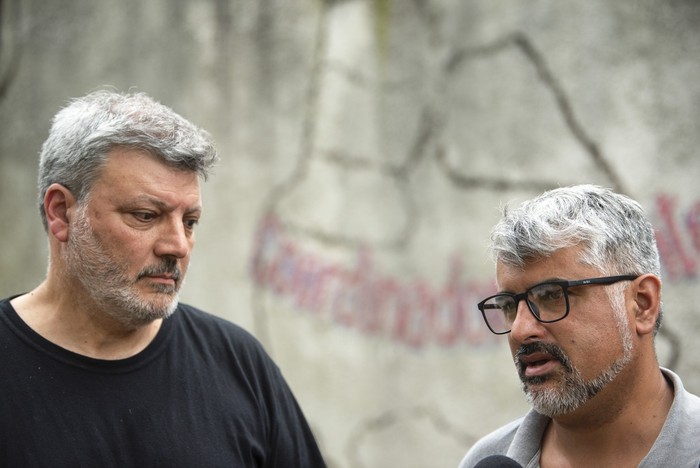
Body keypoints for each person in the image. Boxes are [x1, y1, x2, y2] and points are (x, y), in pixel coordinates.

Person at [0, 89, 327, 467]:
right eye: (145, 215)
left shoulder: (237, 363)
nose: (178, 246)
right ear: (62, 213)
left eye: (190, 222)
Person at [459, 185, 700, 468]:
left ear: (642, 304)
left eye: (551, 295)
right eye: (509, 305)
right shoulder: (486, 458)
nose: (520, 330)